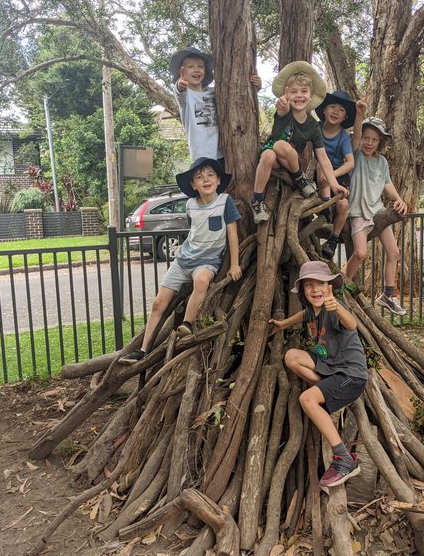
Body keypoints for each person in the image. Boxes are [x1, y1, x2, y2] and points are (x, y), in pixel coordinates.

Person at [123, 158, 242, 361]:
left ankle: (186, 323)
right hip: (183, 260)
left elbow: (232, 234)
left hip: (208, 261)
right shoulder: (190, 205)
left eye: (210, 175)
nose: (206, 179)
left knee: (202, 280)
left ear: (219, 180)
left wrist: (234, 264)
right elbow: (193, 230)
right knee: (158, 303)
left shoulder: (225, 201)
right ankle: (142, 351)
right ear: (193, 185)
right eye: (199, 176)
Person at [269, 261, 367, 487]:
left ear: (330, 287)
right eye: (309, 285)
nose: (316, 290)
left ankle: (344, 458)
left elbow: (351, 325)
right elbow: (303, 315)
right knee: (291, 357)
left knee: (306, 399)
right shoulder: (313, 311)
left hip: (350, 376)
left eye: (321, 284)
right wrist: (282, 324)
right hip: (331, 369)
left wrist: (338, 307)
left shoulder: (333, 308)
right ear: (303, 291)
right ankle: (325, 388)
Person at [251, 61, 348, 224]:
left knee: (282, 147)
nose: (299, 95)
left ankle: (299, 176)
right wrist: (282, 104)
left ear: (311, 96)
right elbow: (282, 109)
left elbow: (323, 158)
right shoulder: (284, 111)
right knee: (269, 153)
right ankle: (257, 201)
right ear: (287, 93)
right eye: (294, 92)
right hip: (274, 155)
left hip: (292, 161)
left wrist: (334, 184)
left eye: (304, 91)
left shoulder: (312, 126)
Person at [343, 103, 409, 316]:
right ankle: (341, 284)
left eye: (374, 139)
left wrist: (399, 199)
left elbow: (387, 183)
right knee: (360, 253)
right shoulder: (356, 156)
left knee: (394, 252)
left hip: (377, 211)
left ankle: (388, 295)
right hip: (358, 212)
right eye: (366, 137)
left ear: (380, 142)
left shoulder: (381, 162)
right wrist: (360, 115)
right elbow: (354, 139)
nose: (369, 142)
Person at [171, 46, 260, 162]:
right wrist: (180, 85)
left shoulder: (215, 92)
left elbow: (238, 98)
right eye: (190, 66)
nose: (196, 70)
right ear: (181, 71)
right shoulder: (186, 96)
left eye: (200, 66)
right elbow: (178, 91)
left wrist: (256, 87)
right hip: (201, 154)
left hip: (224, 153)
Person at [314, 90, 358, 259]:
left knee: (343, 205)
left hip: (339, 177)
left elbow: (350, 162)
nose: (335, 111)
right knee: (320, 163)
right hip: (317, 175)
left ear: (345, 117)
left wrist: (331, 173)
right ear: (323, 110)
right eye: (332, 106)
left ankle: (333, 239)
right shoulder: (316, 128)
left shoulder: (344, 137)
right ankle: (326, 205)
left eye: (341, 110)